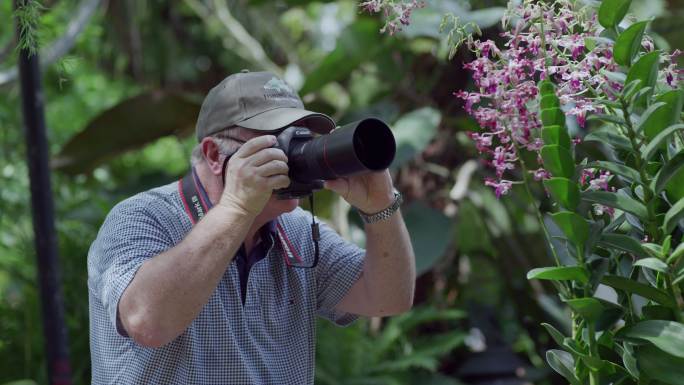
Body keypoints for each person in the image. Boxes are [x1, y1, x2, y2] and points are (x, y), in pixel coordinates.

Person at [87, 70, 416, 384]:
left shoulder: (296, 231)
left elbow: (388, 298)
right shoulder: (140, 218)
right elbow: (147, 322)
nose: (293, 155)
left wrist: (381, 208)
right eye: (275, 140)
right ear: (215, 155)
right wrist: (237, 208)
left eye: (299, 136)